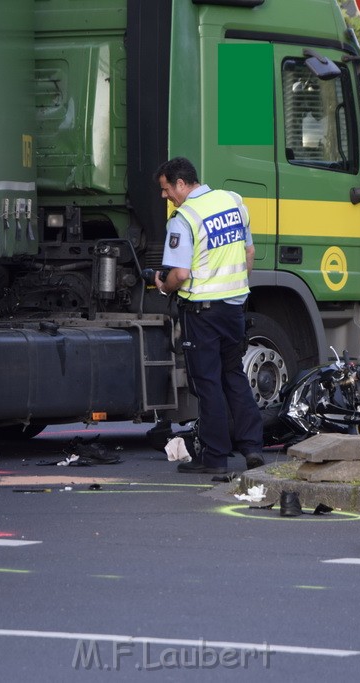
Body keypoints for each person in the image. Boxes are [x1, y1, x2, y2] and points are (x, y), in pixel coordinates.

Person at [153, 157, 265, 474]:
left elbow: (181, 273)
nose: (165, 197)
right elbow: (249, 252)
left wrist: (163, 286)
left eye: (165, 190)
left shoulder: (183, 217)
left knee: (208, 384)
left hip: (202, 312)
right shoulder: (233, 201)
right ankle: (253, 448)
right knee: (234, 376)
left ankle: (215, 458)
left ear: (180, 184)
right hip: (234, 307)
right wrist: (238, 289)